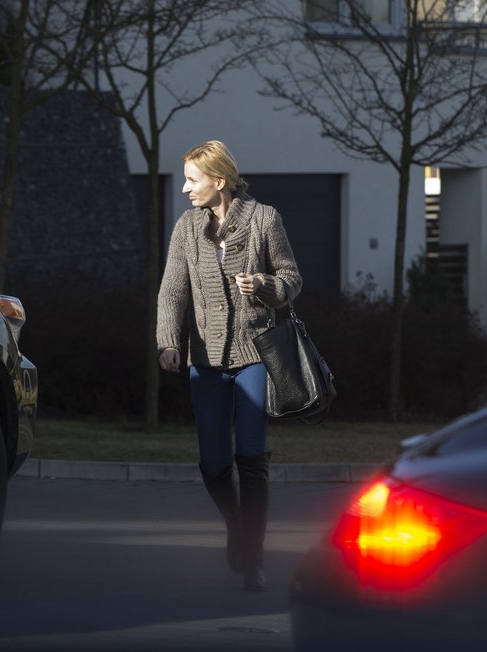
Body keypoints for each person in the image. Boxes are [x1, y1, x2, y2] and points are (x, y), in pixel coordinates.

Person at [157, 140, 302, 592]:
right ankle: (237, 528)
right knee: (214, 463)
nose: (185, 189)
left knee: (251, 458)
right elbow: (172, 292)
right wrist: (167, 342)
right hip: (206, 362)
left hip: (256, 355)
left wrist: (262, 284)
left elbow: (292, 279)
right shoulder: (186, 228)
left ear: (219, 181)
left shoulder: (264, 219)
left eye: (192, 180)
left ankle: (252, 555)